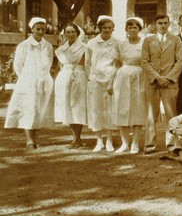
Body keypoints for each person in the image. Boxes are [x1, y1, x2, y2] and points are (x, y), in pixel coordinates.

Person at [5, 17, 55, 150]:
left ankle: (36, 138)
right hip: (28, 83)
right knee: (28, 109)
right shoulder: (24, 46)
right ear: (32, 29)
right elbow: (18, 66)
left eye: (43, 29)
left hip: (44, 81)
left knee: (40, 110)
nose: (40, 31)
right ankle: (29, 141)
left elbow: (48, 65)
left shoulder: (48, 46)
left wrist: (43, 77)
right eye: (37, 29)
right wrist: (27, 79)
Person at [141, 14, 182, 153]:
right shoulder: (148, 41)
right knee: (150, 114)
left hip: (169, 83)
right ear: (155, 24)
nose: (163, 25)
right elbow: (144, 61)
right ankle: (149, 144)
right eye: (160, 23)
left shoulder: (176, 40)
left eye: (165, 23)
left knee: (171, 114)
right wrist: (157, 77)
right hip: (153, 82)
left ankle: (171, 144)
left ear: (169, 24)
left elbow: (180, 61)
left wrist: (168, 77)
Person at [112, 17, 147, 154]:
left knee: (138, 109)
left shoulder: (145, 43)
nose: (132, 29)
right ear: (126, 29)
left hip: (140, 76)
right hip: (123, 77)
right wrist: (111, 82)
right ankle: (124, 143)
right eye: (130, 27)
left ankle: (135, 144)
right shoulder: (120, 44)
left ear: (140, 29)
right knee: (123, 108)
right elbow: (116, 64)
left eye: (135, 27)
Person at [86, 15, 120, 152]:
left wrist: (112, 80)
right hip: (95, 81)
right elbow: (87, 63)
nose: (107, 30)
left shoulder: (117, 43)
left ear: (113, 29)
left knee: (109, 110)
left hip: (111, 80)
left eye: (109, 28)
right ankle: (99, 141)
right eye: (104, 27)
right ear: (99, 28)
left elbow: (118, 63)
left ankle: (109, 141)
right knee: (96, 110)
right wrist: (90, 77)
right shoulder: (92, 43)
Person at [54, 23, 87, 149]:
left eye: (73, 32)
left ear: (77, 33)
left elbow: (86, 64)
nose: (70, 34)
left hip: (79, 77)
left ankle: (77, 137)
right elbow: (61, 66)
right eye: (67, 32)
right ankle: (75, 136)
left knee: (78, 107)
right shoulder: (62, 49)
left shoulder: (84, 47)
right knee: (67, 107)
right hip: (65, 78)